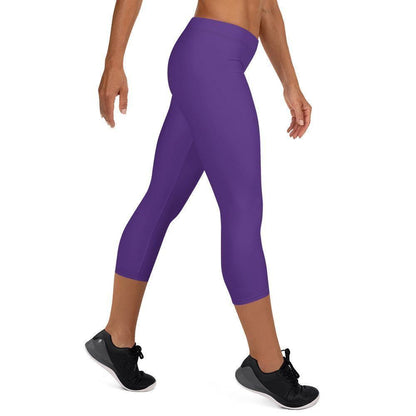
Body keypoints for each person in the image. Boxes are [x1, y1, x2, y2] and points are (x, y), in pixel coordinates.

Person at [85, 0, 318, 409]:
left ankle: (115, 338)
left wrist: (290, 84)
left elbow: (265, 7)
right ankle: (267, 363)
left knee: (161, 199)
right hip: (211, 62)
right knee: (242, 211)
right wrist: (113, 62)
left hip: (211, 63)